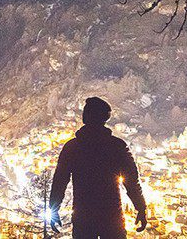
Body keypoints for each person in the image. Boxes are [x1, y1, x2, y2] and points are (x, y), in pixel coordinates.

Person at [49, 97, 148, 238]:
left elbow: (60, 180)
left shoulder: (72, 147)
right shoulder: (117, 146)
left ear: (87, 116)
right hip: (112, 216)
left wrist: (54, 209)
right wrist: (141, 208)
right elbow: (132, 181)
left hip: (83, 218)